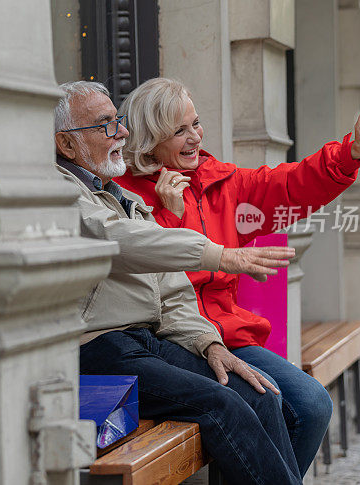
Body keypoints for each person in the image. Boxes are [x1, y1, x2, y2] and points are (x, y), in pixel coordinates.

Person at [115, 77, 360, 477]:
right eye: (179, 131)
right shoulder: (123, 194)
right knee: (261, 404)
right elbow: (155, 282)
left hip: (229, 335)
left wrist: (353, 151)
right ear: (150, 140)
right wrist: (169, 216)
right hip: (170, 341)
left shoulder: (221, 181)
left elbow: (292, 184)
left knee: (312, 405)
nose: (195, 137)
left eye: (196, 123)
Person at [54, 80, 303, 485]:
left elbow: (171, 288)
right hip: (98, 346)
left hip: (149, 340)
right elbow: (120, 240)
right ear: (66, 145)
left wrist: (210, 344)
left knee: (258, 393)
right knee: (223, 404)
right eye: (105, 125)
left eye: (118, 120)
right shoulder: (60, 190)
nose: (121, 132)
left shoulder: (117, 193)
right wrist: (221, 254)